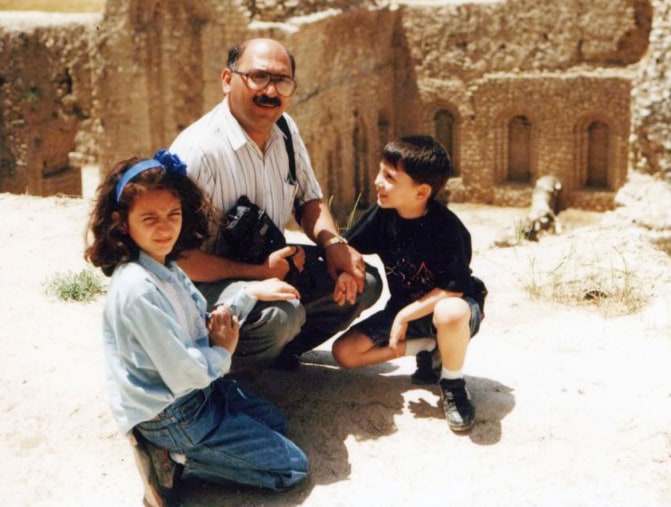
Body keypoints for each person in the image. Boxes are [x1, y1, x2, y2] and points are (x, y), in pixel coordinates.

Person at [85, 151, 308, 507]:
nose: (165, 228)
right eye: (149, 218)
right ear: (122, 222)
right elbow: (183, 370)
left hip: (198, 392)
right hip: (172, 411)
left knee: (277, 424)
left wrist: (247, 294)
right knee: (292, 468)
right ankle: (173, 459)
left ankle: (199, 441)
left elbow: (200, 320)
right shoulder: (137, 289)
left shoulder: (165, 265)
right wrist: (222, 351)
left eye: (173, 215)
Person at [170, 37, 381, 371]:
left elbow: (308, 200)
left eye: (282, 81)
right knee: (281, 314)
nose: (270, 92)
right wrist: (258, 274)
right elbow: (178, 260)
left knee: (362, 281)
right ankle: (222, 374)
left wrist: (333, 241)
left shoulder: (284, 127)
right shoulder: (198, 153)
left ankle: (273, 354)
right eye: (258, 77)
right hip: (200, 288)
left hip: (268, 267)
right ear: (228, 80)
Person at [331, 136, 486, 432]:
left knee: (450, 311)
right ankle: (427, 347)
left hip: (454, 312)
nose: (377, 182)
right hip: (406, 312)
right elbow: (350, 246)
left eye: (389, 177)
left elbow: (453, 289)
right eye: (380, 172)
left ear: (421, 191)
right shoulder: (384, 215)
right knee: (345, 353)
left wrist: (404, 316)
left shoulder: (447, 229)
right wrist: (345, 271)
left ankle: (453, 383)